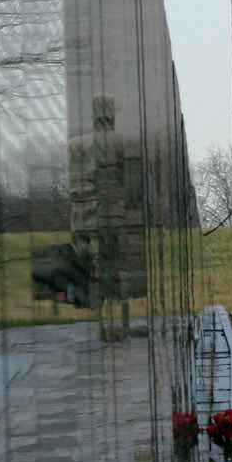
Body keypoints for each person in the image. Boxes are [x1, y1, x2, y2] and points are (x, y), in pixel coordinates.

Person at [67, 96, 147, 342]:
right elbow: (133, 186)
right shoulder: (122, 143)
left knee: (97, 271)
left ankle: (100, 325)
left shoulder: (77, 146)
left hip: (89, 217)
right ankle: (122, 323)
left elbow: (74, 185)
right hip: (114, 214)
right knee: (118, 269)